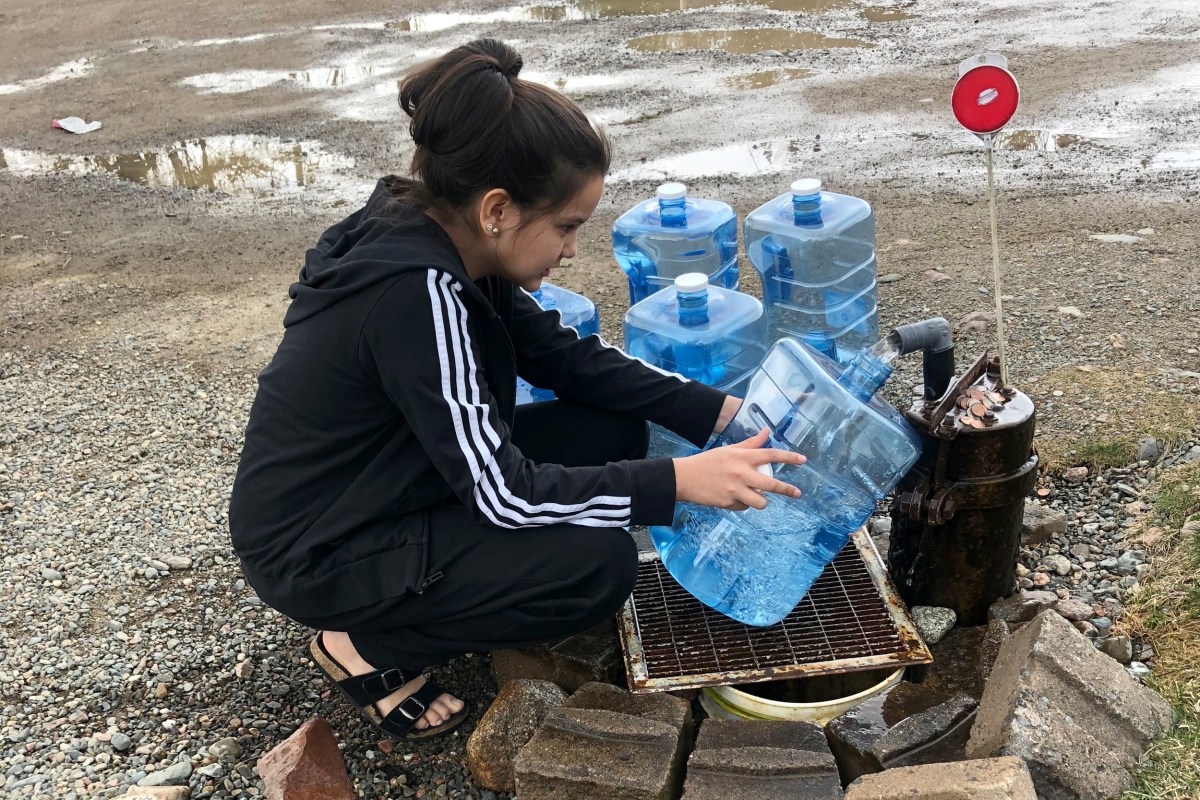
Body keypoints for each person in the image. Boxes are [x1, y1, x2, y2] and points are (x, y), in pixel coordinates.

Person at [228, 38, 804, 742]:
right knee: (597, 568)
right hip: (321, 546)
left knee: (614, 432)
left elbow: (566, 359)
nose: (570, 250)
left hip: (392, 483)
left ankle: (424, 599)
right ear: (498, 208)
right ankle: (362, 647)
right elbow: (503, 492)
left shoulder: (449, 240)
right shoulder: (417, 293)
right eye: (566, 227)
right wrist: (678, 480)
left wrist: (718, 413)